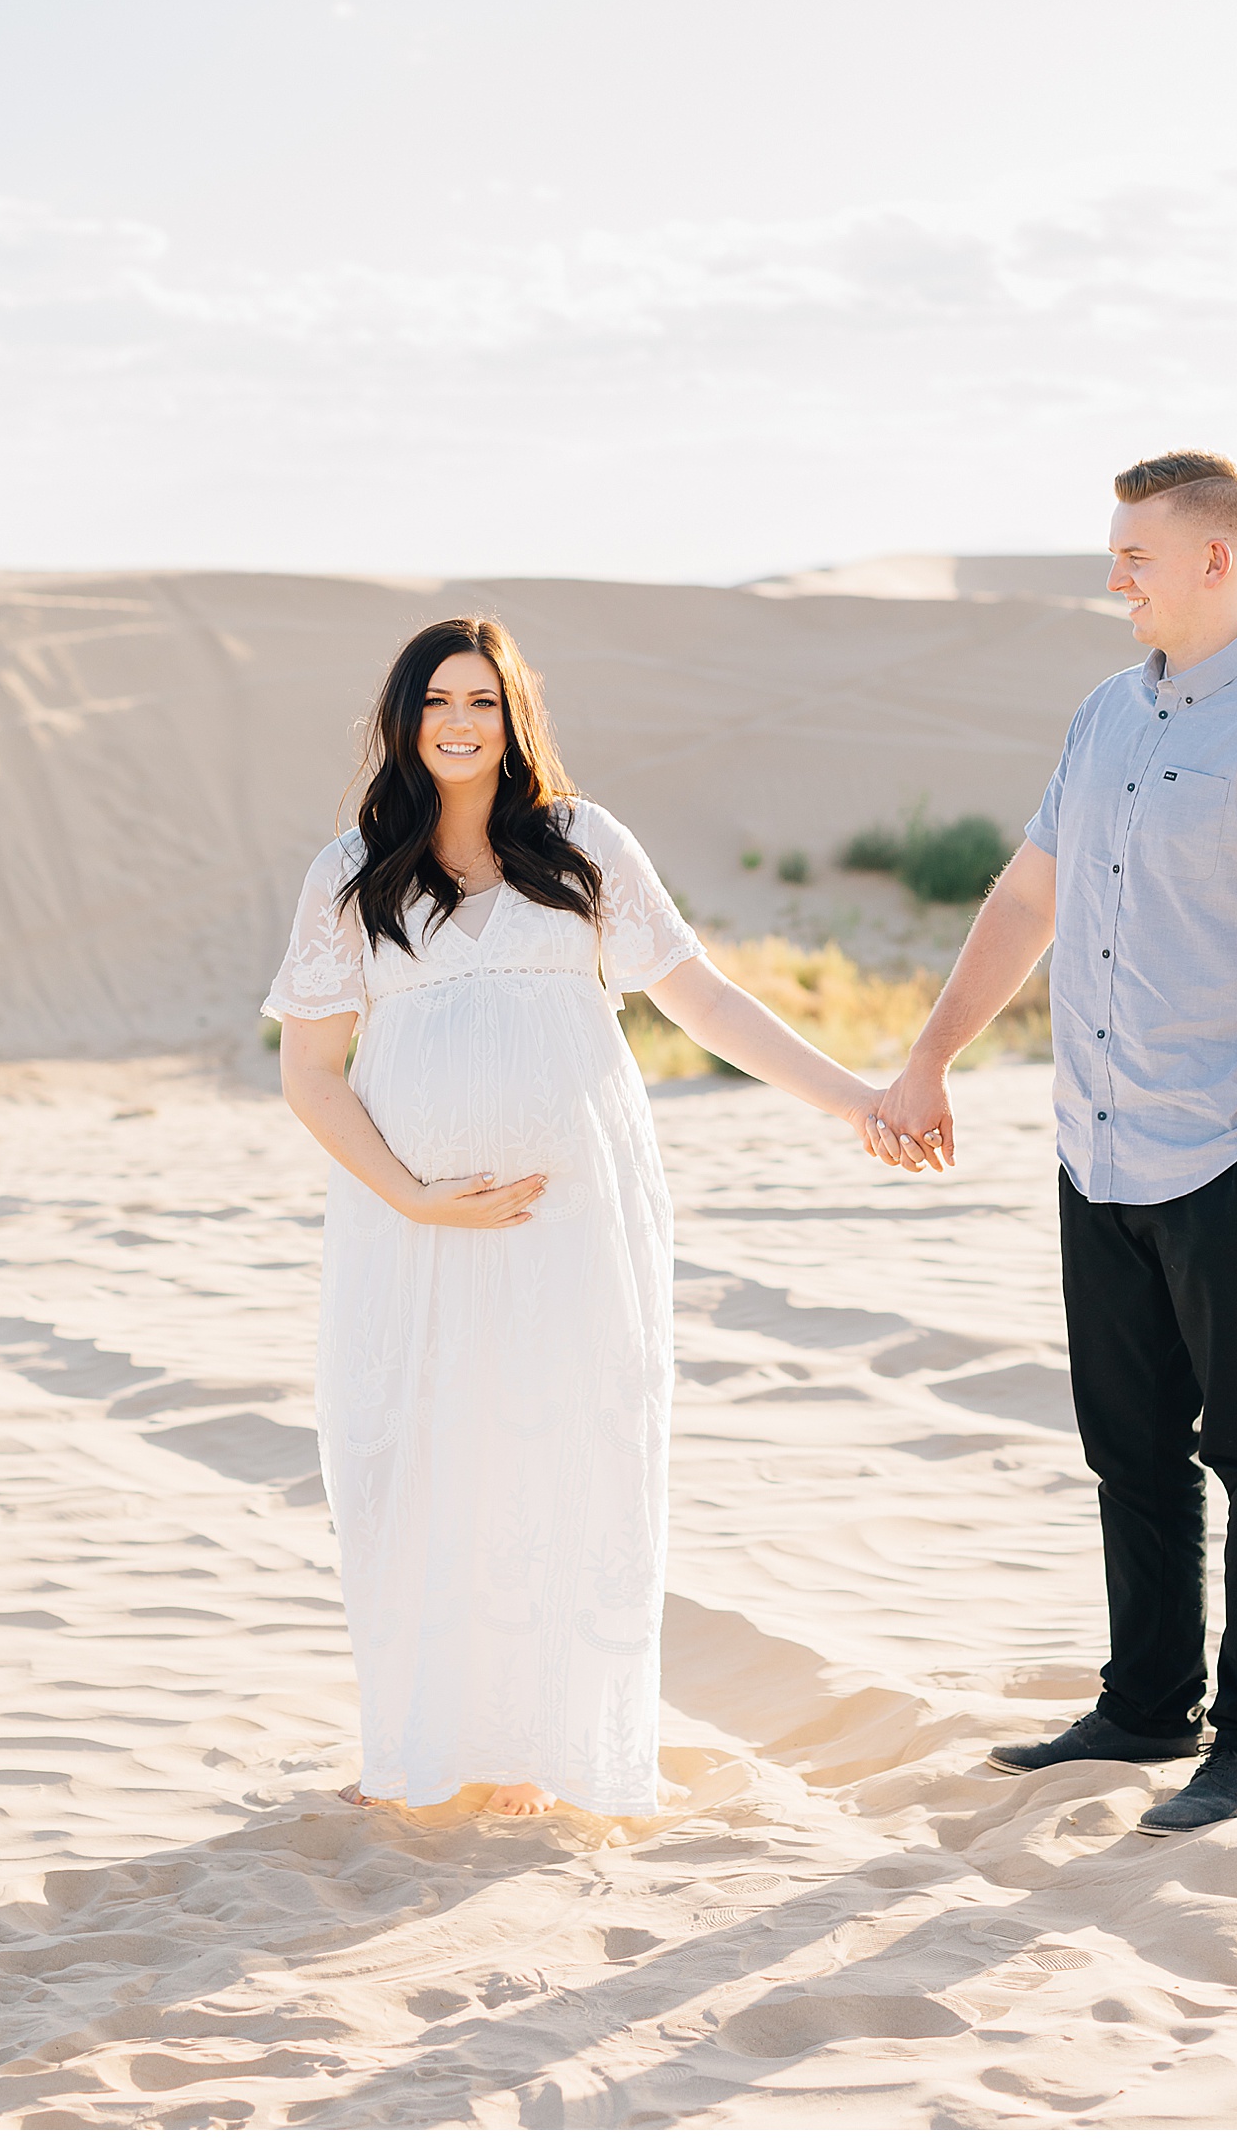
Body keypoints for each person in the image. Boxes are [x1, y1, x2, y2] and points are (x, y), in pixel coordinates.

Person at [266, 614, 882, 1821]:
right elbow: (309, 1071)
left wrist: (855, 1096)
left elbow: (701, 998)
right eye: (438, 698)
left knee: (567, 1448)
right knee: (428, 1456)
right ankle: (437, 1745)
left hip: (578, 1216)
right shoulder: (350, 872)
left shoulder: (583, 843)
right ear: (403, 716)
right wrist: (415, 1195)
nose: (458, 721)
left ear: (515, 718)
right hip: (416, 1230)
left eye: (483, 701)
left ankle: (558, 1746)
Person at [865, 451, 1237, 1834]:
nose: (1115, 577)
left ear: (1217, 559)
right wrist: (931, 1054)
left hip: (1233, 1156)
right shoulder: (1104, 715)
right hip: (1098, 1148)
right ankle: (1150, 1703)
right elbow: (1027, 895)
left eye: (1136, 556)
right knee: (1132, 1447)